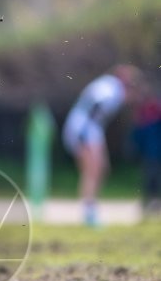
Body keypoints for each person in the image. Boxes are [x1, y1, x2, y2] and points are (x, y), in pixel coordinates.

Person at [62, 64, 142, 226]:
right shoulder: (112, 89)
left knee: (99, 169)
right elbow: (93, 107)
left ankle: (90, 210)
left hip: (89, 128)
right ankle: (89, 214)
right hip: (85, 128)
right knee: (93, 170)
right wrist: (85, 137)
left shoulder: (109, 86)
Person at [131, 93, 161, 215]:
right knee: (151, 181)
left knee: (150, 181)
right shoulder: (151, 125)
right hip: (152, 156)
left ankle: (149, 204)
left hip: (150, 156)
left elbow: (136, 139)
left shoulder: (144, 125)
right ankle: (150, 205)